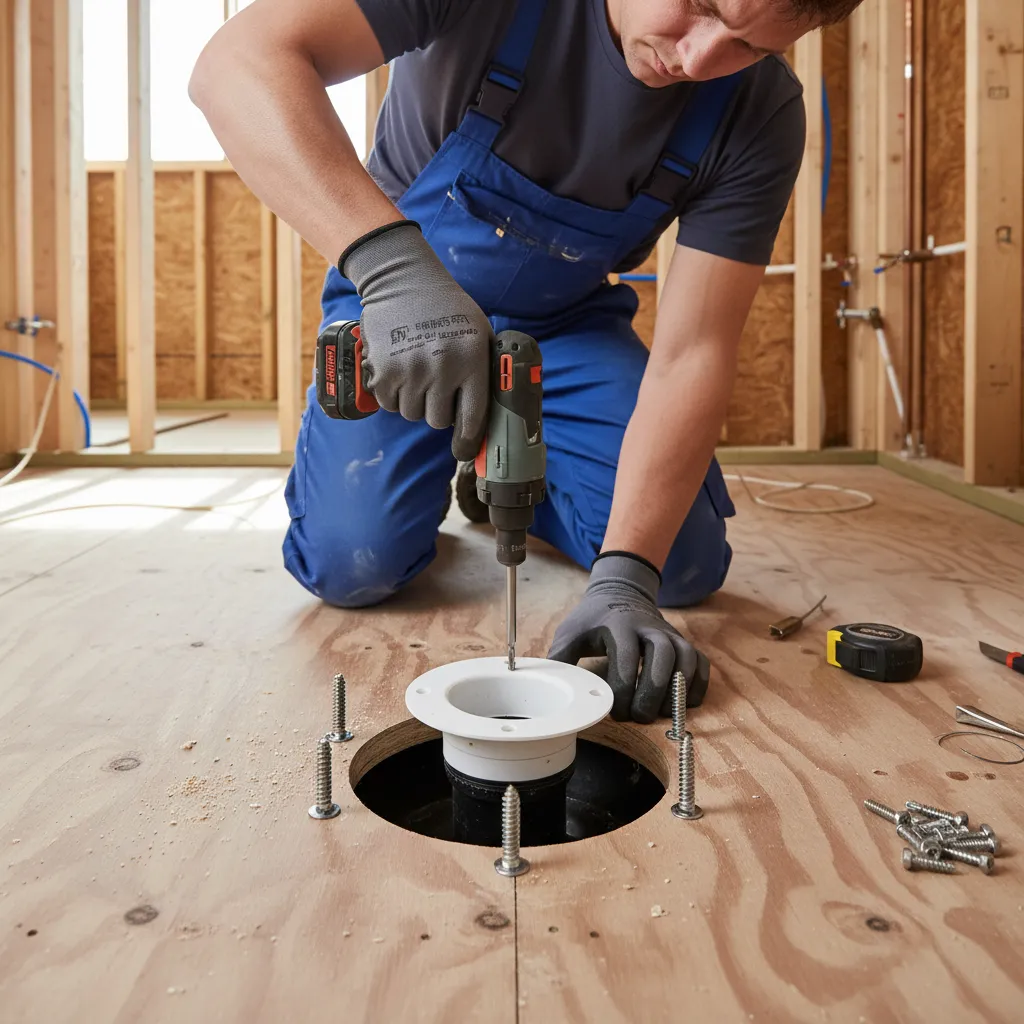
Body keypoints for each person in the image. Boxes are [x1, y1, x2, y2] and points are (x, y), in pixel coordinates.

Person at [190, 0, 861, 723]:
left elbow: (694, 353)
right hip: (401, 309)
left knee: (681, 566)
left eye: (748, 47)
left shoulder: (758, 112)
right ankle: (449, 461)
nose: (697, 60)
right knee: (353, 565)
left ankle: (508, 482)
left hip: (563, 328)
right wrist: (392, 272)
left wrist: (625, 578)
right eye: (701, 6)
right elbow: (236, 64)